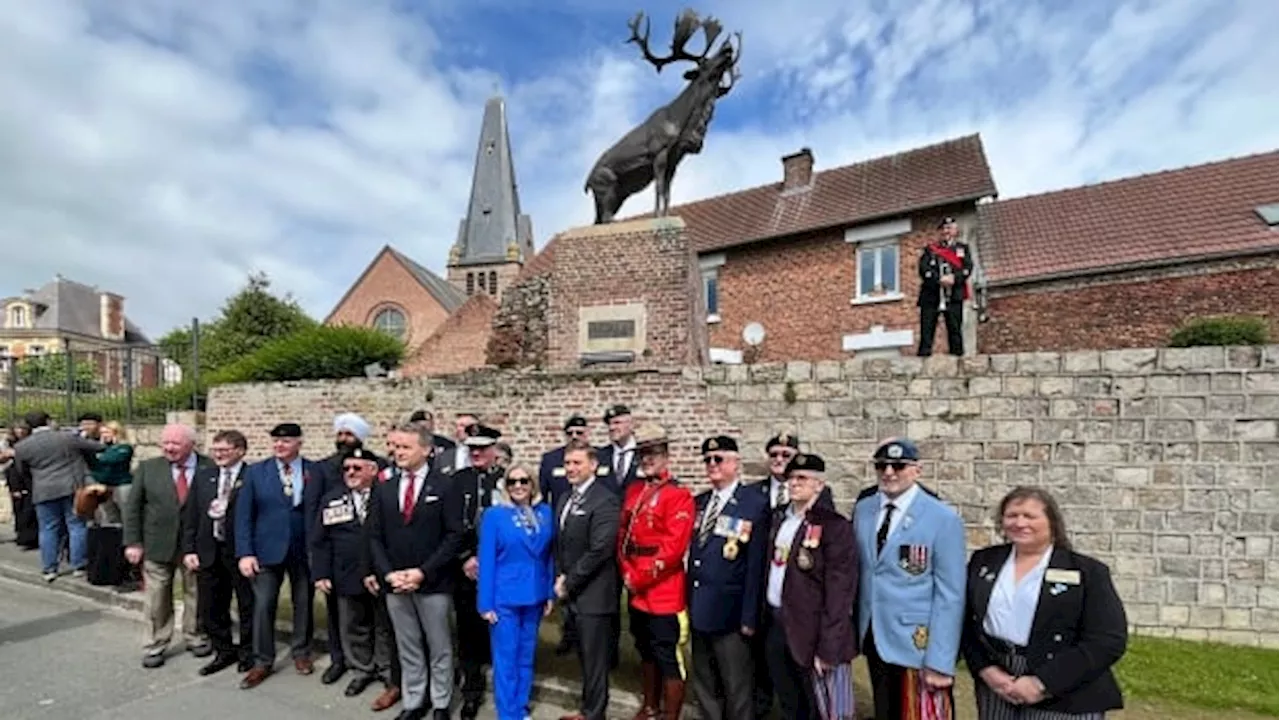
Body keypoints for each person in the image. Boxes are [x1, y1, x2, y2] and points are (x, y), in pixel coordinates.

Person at [962, 487, 1128, 719]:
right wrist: (985, 670)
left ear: (1052, 521)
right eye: (1012, 515)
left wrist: (1042, 683)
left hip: (1064, 687)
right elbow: (966, 623)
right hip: (998, 684)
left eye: (1029, 516)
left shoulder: (1087, 571)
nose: (1019, 523)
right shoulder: (984, 561)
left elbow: (1108, 639)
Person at [853, 438, 966, 720]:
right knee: (886, 709)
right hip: (873, 633)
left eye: (898, 466)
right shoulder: (864, 509)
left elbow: (950, 594)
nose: (889, 472)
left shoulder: (942, 517)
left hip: (917, 641)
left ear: (917, 470)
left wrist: (941, 659)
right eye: (881, 466)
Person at [369, 423, 464, 720]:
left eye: (405, 447)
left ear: (426, 449)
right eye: (395, 447)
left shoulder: (446, 486)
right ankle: (413, 700)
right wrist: (388, 574)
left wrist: (423, 572)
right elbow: (373, 536)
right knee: (407, 644)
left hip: (432, 581)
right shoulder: (383, 487)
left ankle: (440, 702)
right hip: (396, 583)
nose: (398, 453)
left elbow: (454, 535)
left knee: (439, 646)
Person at [763, 453, 857, 720]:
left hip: (815, 633)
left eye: (802, 478)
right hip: (778, 625)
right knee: (791, 704)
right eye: (791, 478)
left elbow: (840, 592)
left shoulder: (834, 526)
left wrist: (828, 647)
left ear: (819, 484)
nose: (794, 483)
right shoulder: (780, 519)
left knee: (827, 710)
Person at [687, 435, 770, 720]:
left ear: (736, 464)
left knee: (737, 687)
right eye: (707, 460)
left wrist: (749, 617)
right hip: (700, 607)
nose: (712, 465)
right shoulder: (700, 503)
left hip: (731, 614)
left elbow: (755, 565)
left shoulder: (754, 503)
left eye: (718, 459)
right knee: (705, 684)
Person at [617, 425, 696, 719]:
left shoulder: (678, 495)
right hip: (637, 590)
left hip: (664, 591)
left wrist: (638, 577)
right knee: (645, 649)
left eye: (653, 453)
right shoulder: (635, 490)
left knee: (668, 656)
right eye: (643, 453)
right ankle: (649, 706)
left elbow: (673, 549)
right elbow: (622, 534)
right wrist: (626, 569)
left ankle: (670, 714)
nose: (647, 459)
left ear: (666, 456)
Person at [312, 447, 401, 702]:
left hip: (380, 572)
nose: (350, 472)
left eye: (357, 468)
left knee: (384, 625)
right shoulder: (332, 498)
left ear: (373, 471)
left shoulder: (386, 496)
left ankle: (386, 670)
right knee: (353, 625)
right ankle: (361, 669)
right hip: (345, 573)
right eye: (347, 468)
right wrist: (321, 573)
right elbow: (319, 540)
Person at [123, 423, 215, 668]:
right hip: (157, 542)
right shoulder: (148, 468)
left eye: (175, 444)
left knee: (195, 592)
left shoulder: (209, 467)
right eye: (165, 443)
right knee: (157, 597)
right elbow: (132, 507)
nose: (169, 448)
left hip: (194, 545)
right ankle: (155, 643)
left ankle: (195, 636)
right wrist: (133, 542)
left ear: (191, 445)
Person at [236, 422, 320, 689]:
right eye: (275, 441)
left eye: (285, 441)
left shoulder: (314, 471)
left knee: (303, 602)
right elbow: (243, 516)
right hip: (266, 549)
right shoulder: (256, 472)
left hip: (302, 548)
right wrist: (245, 552)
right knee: (263, 605)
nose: (279, 446)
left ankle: (301, 652)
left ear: (299, 443)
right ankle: (263, 660)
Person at [477, 464, 555, 720]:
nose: (518, 486)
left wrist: (550, 593)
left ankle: (520, 708)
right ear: (506, 486)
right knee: (506, 659)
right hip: (504, 597)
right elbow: (486, 560)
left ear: (533, 484)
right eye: (512, 482)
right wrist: (485, 603)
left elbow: (549, 556)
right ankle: (507, 714)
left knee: (525, 655)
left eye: (524, 481)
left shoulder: (545, 512)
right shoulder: (495, 515)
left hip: (534, 594)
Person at [553, 438, 622, 720]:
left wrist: (569, 582)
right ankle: (587, 708)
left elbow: (600, 549)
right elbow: (562, 543)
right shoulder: (565, 498)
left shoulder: (604, 500)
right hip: (572, 592)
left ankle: (594, 714)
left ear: (593, 465)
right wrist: (560, 575)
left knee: (595, 661)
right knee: (582, 655)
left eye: (577, 463)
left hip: (594, 593)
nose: (571, 468)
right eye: (567, 463)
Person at [182, 429, 256, 675]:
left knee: (247, 604)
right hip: (209, 548)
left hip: (239, 551)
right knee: (211, 604)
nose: (219, 455)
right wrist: (189, 549)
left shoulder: (252, 476)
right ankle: (223, 650)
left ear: (240, 451)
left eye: (224, 450)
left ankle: (248, 652)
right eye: (215, 450)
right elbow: (191, 514)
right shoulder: (205, 477)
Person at [312, 411, 375, 687]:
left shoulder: (379, 466)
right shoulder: (324, 468)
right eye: (340, 433)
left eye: (349, 434)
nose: (343, 438)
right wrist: (319, 567)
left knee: (377, 620)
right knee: (342, 617)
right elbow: (318, 523)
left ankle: (381, 667)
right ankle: (342, 661)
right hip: (340, 560)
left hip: (375, 563)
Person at [451, 423, 505, 719]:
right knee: (468, 632)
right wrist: (465, 558)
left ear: (495, 450)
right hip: (466, 570)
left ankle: (502, 690)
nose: (477, 453)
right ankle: (471, 692)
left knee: (498, 629)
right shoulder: (457, 481)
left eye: (483, 448)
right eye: (472, 448)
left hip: (499, 570)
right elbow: (450, 525)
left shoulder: (506, 480)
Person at [12, 410, 104, 581]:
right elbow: (97, 447)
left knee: (47, 529)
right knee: (76, 525)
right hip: (70, 486)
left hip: (43, 489)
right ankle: (79, 565)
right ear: (47, 421)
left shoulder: (22, 446)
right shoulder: (65, 437)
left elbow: (21, 471)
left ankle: (49, 568)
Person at [917, 216, 973, 357]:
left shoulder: (962, 249)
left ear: (955, 231)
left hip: (954, 295)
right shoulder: (930, 250)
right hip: (932, 295)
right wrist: (939, 279)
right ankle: (923, 360)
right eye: (943, 229)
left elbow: (967, 268)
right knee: (927, 330)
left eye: (949, 228)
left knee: (955, 329)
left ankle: (958, 359)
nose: (946, 231)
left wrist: (954, 278)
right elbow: (924, 269)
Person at [3, 422, 37, 549]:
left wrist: (15, 453)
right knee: (18, 506)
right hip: (14, 476)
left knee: (29, 506)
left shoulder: (31, 441)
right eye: (17, 428)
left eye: (22, 428)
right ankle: (22, 534)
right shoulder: (9, 442)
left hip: (28, 475)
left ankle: (30, 536)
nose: (20, 431)